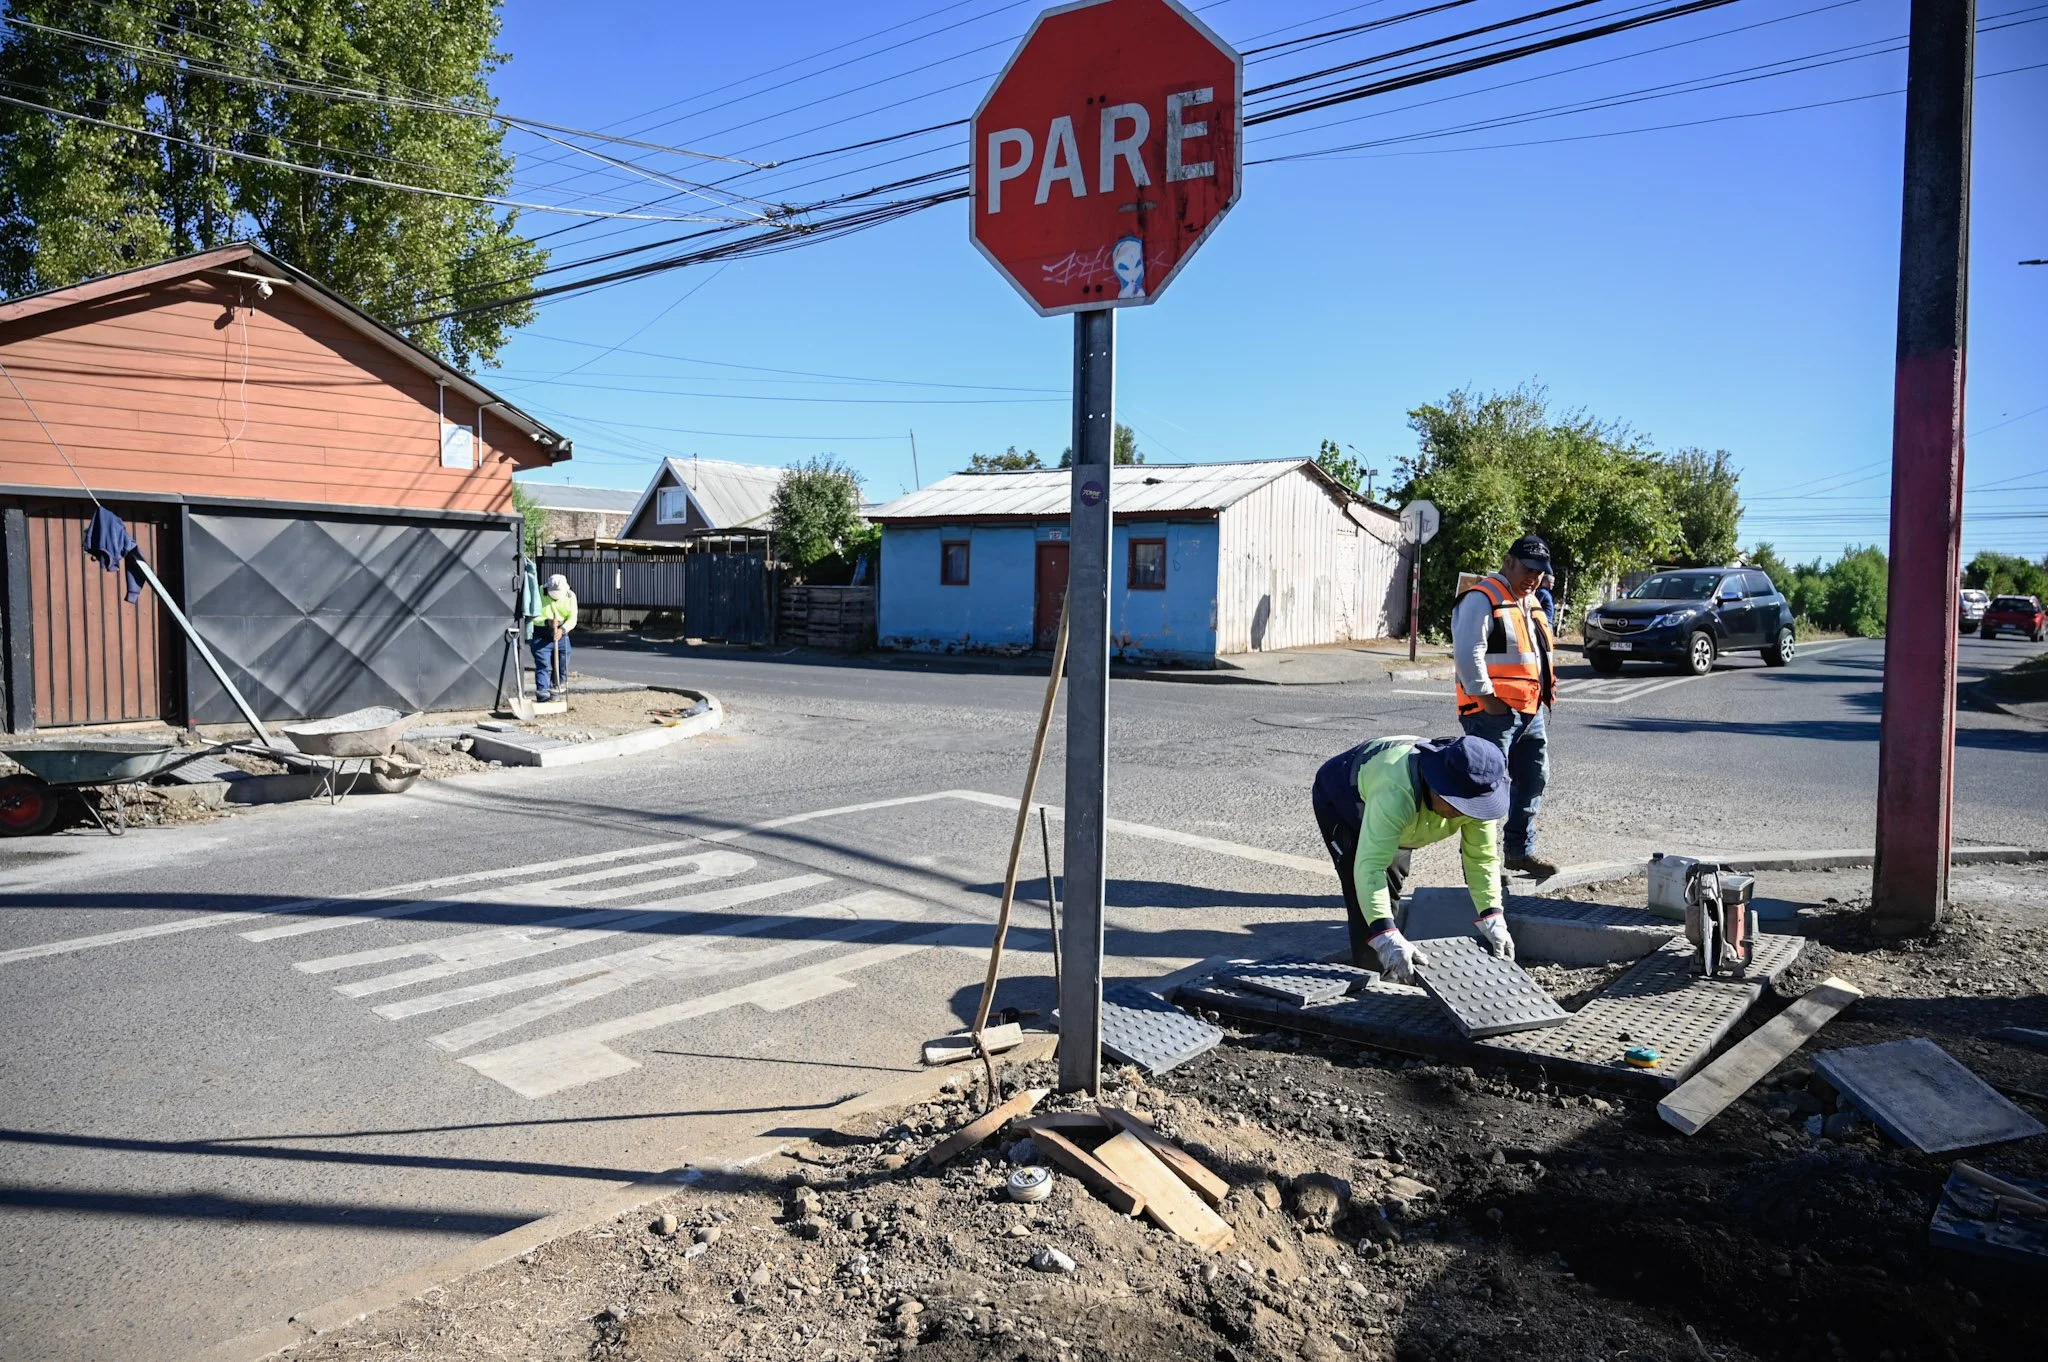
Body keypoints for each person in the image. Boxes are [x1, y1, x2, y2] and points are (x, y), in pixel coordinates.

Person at [1310, 733, 1514, 982]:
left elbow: (1481, 858)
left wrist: (1493, 915)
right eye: (1456, 804)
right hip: (1344, 801)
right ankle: (1376, 979)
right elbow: (1371, 866)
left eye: (1471, 808)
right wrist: (1386, 937)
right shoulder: (1394, 791)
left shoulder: (1476, 795)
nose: (1463, 814)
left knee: (1391, 880)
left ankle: (1390, 961)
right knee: (1365, 886)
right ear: (1436, 783)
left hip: (1405, 819)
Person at [1451, 534, 1559, 879]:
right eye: (1528, 569)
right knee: (1485, 789)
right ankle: (1480, 868)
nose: (1533, 578)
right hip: (1492, 714)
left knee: (1532, 780)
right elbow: (1467, 654)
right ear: (1508, 562)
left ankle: (1518, 852)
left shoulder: (1530, 602)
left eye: (1540, 573)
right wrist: (1487, 700)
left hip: (1530, 711)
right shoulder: (1482, 598)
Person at [531, 573, 578, 702]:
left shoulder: (570, 596)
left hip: (561, 634)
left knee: (562, 664)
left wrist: (562, 630)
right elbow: (533, 616)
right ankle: (543, 694)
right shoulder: (539, 593)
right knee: (543, 664)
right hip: (542, 634)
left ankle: (556, 689)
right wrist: (547, 622)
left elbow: (573, 618)